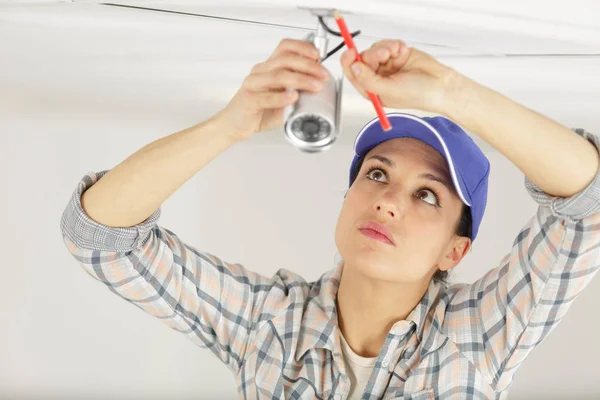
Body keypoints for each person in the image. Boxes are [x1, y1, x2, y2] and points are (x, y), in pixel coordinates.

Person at [60, 38, 600, 399]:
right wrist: (229, 125)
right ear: (347, 199)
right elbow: (100, 238)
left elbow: (587, 205)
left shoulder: (479, 334)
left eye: (428, 196)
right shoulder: (267, 323)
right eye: (377, 175)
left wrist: (451, 94)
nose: (388, 201)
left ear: (453, 252)